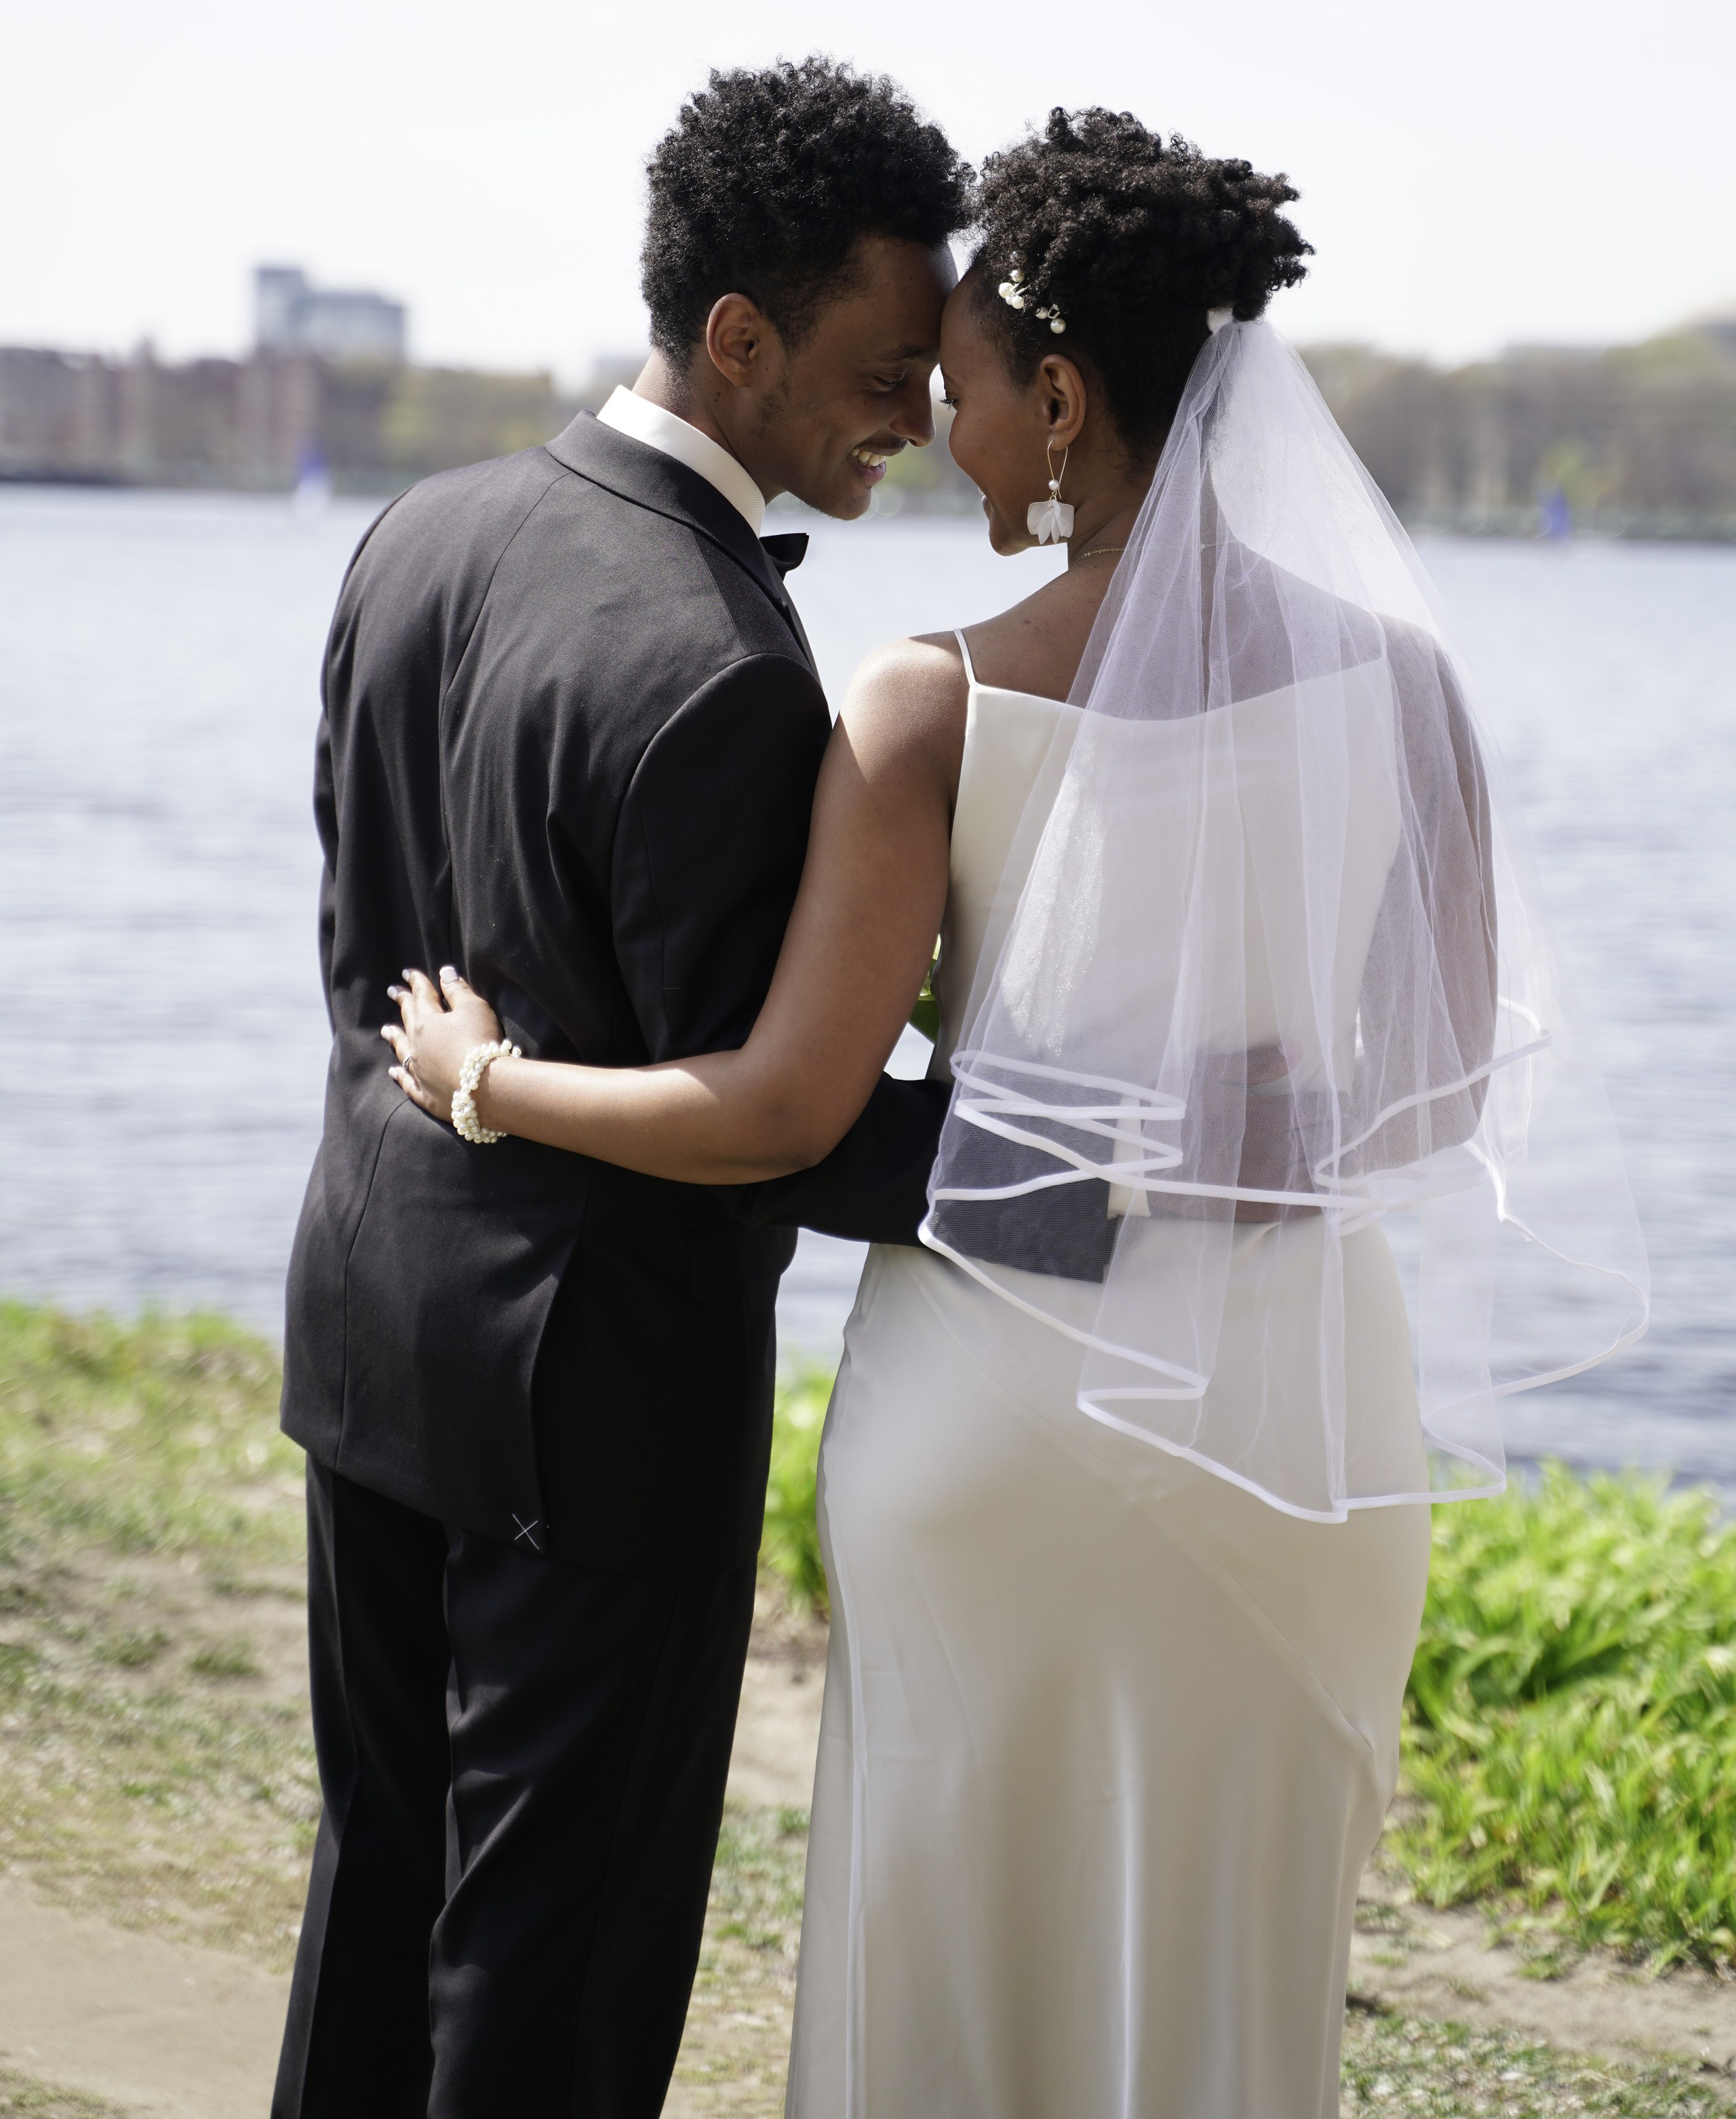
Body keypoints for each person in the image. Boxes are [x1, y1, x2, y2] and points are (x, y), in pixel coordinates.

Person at [386, 109, 1647, 2115]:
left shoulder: (928, 702)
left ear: (1061, 399)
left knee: (957, 1970)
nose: (934, 429)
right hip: (1298, 1431)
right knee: (1226, 1974)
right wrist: (1205, 1130)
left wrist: (486, 1084)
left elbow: (783, 1110)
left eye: (957, 390)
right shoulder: (1407, 690)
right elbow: (1433, 1090)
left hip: (1003, 1423)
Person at [272, 57, 970, 2119]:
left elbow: (356, 943)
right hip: (597, 1409)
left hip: (368, 1318)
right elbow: (789, 1114)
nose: (918, 424)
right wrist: (1111, 1158)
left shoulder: (424, 529)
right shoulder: (731, 672)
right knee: (550, 1981)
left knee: (379, 1889)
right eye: (886, 369)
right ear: (740, 338)